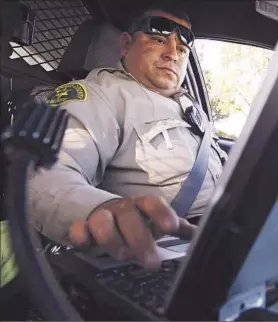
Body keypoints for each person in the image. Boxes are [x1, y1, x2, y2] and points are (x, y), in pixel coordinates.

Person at [28, 3, 227, 269]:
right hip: (166, 252)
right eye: (158, 40)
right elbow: (47, 173)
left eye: (182, 49)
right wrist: (99, 209)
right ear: (125, 45)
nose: (173, 54)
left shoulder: (193, 109)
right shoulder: (102, 96)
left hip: (228, 235)